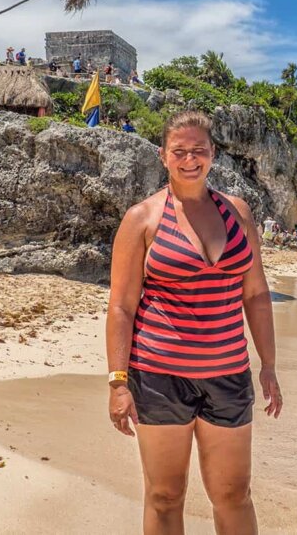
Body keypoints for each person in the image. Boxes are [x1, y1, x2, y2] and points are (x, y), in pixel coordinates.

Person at [105, 110, 281, 534]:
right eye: (179, 151)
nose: (189, 160)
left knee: (234, 495)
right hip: (160, 378)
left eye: (198, 151)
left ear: (212, 154)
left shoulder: (238, 212)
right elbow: (122, 307)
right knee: (165, 496)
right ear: (163, 155)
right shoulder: (142, 219)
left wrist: (268, 366)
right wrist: (117, 382)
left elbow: (255, 293)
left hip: (229, 376)